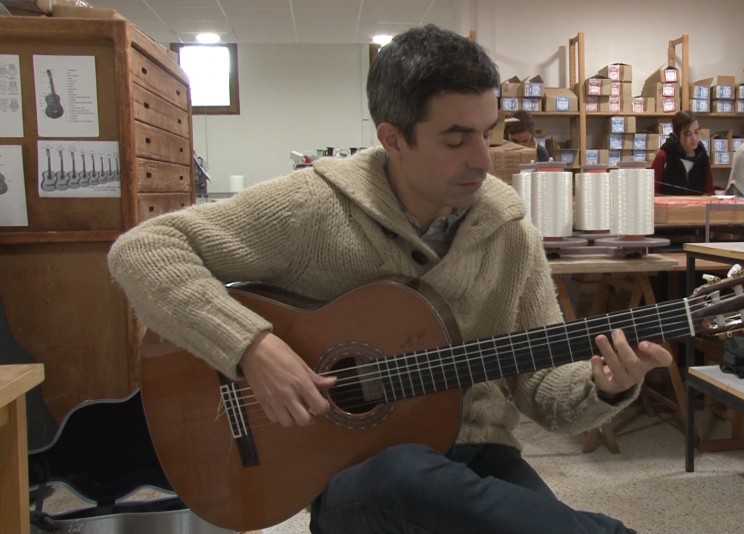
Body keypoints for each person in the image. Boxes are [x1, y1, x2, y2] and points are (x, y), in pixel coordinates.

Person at [107, 25, 673, 534]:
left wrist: (605, 387)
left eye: (488, 132)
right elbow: (144, 250)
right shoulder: (313, 207)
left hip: (478, 457)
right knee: (403, 475)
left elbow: (542, 392)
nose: (484, 159)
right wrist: (252, 348)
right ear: (393, 138)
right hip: (356, 476)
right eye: (456, 139)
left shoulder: (509, 232)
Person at [651, 111, 714, 195]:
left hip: (698, 203)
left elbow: (710, 191)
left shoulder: (702, 155)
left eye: (696, 132)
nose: (694, 138)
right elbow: (652, 191)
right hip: (670, 203)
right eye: (688, 134)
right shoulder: (664, 155)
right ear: (677, 135)